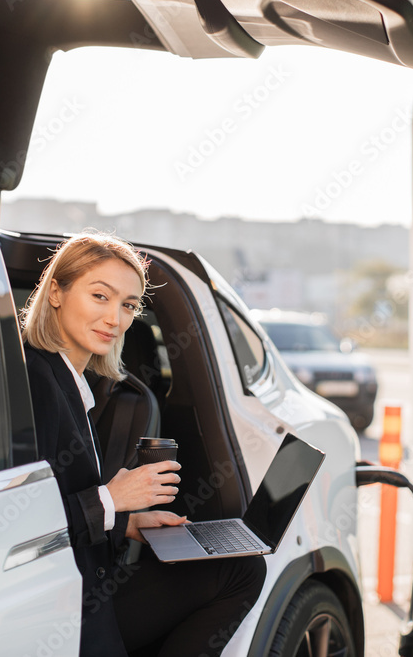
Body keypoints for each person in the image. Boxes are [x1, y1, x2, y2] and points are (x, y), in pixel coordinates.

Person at [19, 231, 265, 656]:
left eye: (129, 305)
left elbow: (64, 501)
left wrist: (129, 522)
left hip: (84, 583)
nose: (115, 318)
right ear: (55, 292)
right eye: (100, 296)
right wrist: (113, 499)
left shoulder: (70, 382)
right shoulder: (37, 382)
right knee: (241, 574)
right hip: (57, 610)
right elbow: (25, 532)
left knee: (241, 567)